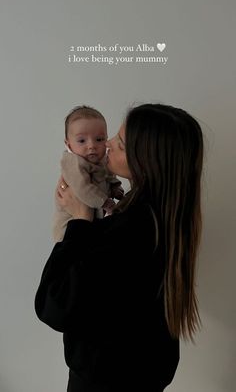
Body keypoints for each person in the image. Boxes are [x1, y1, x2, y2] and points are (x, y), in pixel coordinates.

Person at [35, 103, 204, 392]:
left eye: (121, 143)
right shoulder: (165, 215)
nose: (107, 144)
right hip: (142, 372)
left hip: (107, 379)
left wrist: (80, 220)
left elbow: (54, 305)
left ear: (147, 160)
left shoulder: (131, 229)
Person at [53, 105, 124, 242]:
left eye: (99, 139)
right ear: (68, 144)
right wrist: (105, 202)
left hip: (92, 220)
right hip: (69, 225)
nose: (91, 145)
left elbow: (107, 175)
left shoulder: (101, 160)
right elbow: (83, 188)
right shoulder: (74, 163)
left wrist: (115, 187)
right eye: (82, 141)